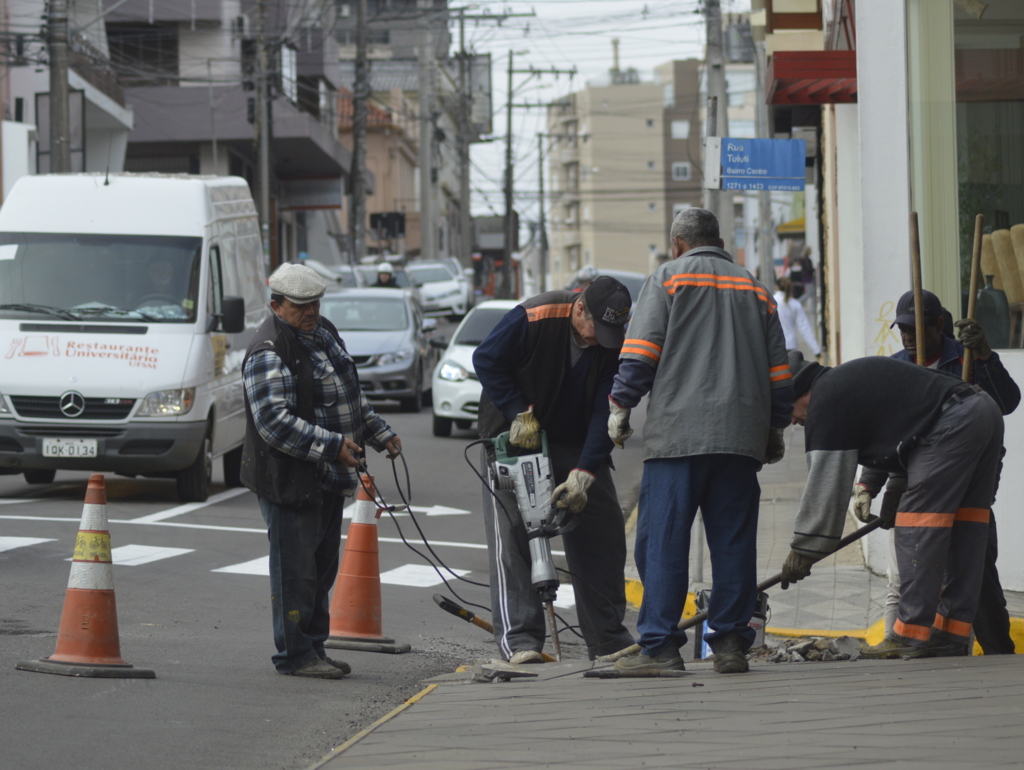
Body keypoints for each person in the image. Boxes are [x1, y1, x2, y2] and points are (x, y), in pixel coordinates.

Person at [608, 208, 793, 675]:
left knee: (662, 543)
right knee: (734, 544)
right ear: (718, 241)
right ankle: (731, 645)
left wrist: (620, 406)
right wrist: (774, 427)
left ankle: (660, 648)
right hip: (739, 438)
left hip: (679, 438)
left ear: (678, 244)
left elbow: (642, 349)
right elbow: (779, 373)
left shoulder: (668, 279)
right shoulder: (755, 289)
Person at [781, 351, 1004, 659]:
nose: (792, 421)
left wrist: (805, 549)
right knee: (965, 527)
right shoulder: (844, 383)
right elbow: (902, 431)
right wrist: (891, 489)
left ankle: (909, 634)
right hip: (981, 411)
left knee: (917, 528)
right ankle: (949, 635)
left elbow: (827, 484)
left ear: (802, 391)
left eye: (789, 410)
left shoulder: (825, 400)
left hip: (953, 423)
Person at [241, 263, 402, 679]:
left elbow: (349, 395)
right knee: (295, 570)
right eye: (300, 306)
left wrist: (378, 432)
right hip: (290, 480)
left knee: (321, 565)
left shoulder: (324, 332)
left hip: (327, 477)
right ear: (276, 305)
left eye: (315, 302)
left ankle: (313, 646)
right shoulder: (269, 350)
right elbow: (273, 422)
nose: (311, 311)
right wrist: (332, 446)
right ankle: (295, 655)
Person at [473, 275, 636, 664]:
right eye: (597, 329)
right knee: (516, 534)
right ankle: (522, 640)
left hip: (573, 437)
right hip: (514, 436)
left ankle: (608, 637)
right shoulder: (536, 316)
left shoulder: (609, 341)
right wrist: (517, 411)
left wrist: (584, 474)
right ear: (580, 308)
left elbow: (604, 410)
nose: (601, 341)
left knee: (602, 527)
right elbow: (487, 359)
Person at [852, 289, 1019, 654]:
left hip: (969, 484)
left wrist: (987, 356)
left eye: (916, 328)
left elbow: (1006, 403)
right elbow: (886, 434)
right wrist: (867, 484)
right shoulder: (898, 368)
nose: (908, 337)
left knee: (976, 573)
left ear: (938, 324)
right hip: (919, 484)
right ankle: (913, 641)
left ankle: (998, 652)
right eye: (903, 329)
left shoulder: (967, 358)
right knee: (911, 567)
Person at [774, 276, 821, 358]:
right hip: (791, 345)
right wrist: (816, 351)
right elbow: (804, 328)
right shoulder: (795, 304)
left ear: (777, 287)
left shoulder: (771, 302)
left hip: (776, 346)